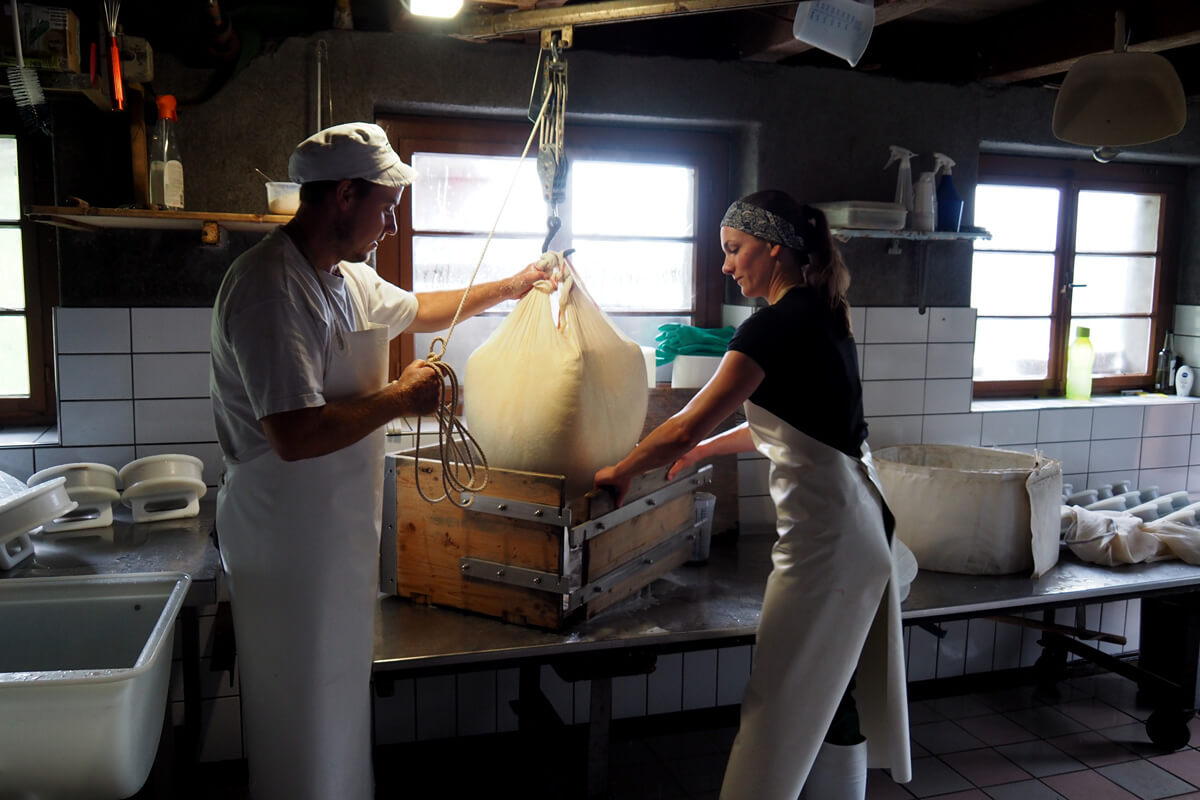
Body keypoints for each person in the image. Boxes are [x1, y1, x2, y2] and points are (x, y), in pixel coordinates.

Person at [209, 122, 553, 800]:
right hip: (283, 540)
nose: (393, 224)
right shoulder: (271, 289)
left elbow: (420, 309)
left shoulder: (344, 279)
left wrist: (513, 285)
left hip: (333, 536)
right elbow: (295, 434)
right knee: (298, 705)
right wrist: (400, 398)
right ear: (343, 194)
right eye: (387, 205)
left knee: (336, 695)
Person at [594, 190, 911, 800]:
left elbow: (689, 420)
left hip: (828, 548)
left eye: (734, 250)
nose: (726, 264)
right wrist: (704, 452)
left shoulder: (772, 326)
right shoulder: (821, 313)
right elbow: (793, 428)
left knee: (780, 698)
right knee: (823, 691)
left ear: (773, 249)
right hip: (857, 531)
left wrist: (625, 468)